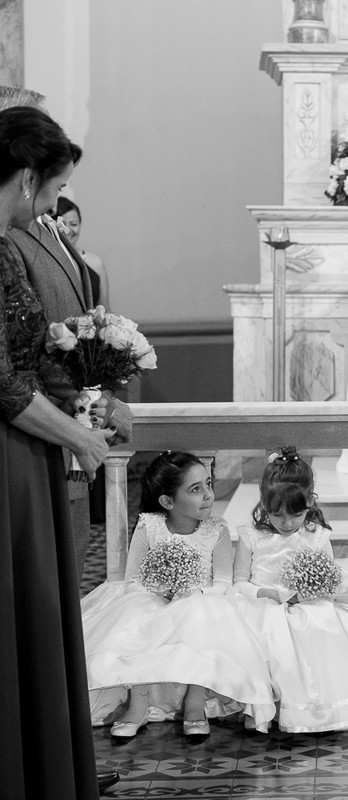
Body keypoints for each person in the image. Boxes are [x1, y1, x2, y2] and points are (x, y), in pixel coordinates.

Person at [0, 104, 114, 800]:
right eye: (48, 190)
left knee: (37, 610)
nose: (50, 207)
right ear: (23, 178)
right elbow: (1, 382)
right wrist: (79, 436)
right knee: (25, 607)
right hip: (10, 454)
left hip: (27, 448)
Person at [81, 451, 277, 739]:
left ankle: (195, 703)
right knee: (137, 611)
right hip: (154, 596)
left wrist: (191, 592)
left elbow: (223, 582)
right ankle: (139, 703)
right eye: (196, 490)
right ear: (168, 501)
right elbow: (133, 580)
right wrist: (161, 592)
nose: (208, 495)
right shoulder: (150, 526)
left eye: (208, 484)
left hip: (200, 598)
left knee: (198, 611)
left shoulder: (216, 529)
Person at [7, 155, 132, 580]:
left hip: (66, 422)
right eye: (57, 186)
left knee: (64, 582)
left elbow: (81, 326)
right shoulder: (11, 238)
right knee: (36, 583)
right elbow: (16, 365)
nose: (57, 200)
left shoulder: (47, 225)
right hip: (33, 431)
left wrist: (102, 397)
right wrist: (76, 426)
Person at [233, 446, 348, 732]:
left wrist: (310, 592)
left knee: (323, 624)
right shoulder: (251, 536)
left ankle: (325, 711)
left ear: (310, 504)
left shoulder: (316, 536)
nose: (287, 523)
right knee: (273, 633)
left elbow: (327, 578)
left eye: (296, 515)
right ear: (264, 505)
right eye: (277, 515)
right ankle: (266, 708)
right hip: (264, 603)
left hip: (308, 603)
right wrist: (270, 595)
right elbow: (239, 582)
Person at [53, 196, 108, 306]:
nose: (68, 230)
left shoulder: (95, 263)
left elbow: (105, 309)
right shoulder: (48, 263)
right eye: (62, 224)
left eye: (73, 224)